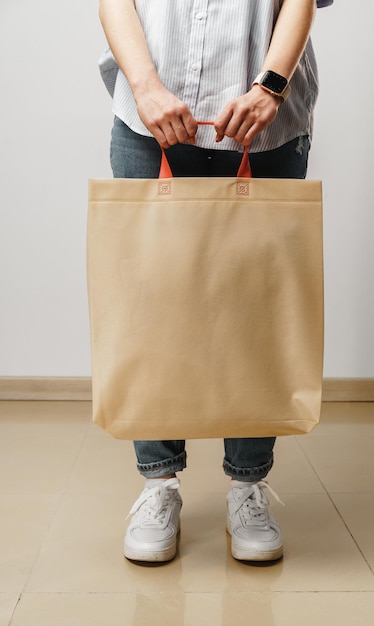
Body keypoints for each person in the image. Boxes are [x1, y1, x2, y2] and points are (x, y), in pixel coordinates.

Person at [99, 0, 319, 563]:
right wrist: (144, 86)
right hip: (147, 118)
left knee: (254, 311)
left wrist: (271, 86)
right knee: (152, 311)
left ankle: (249, 486)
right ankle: (158, 485)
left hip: (263, 120)